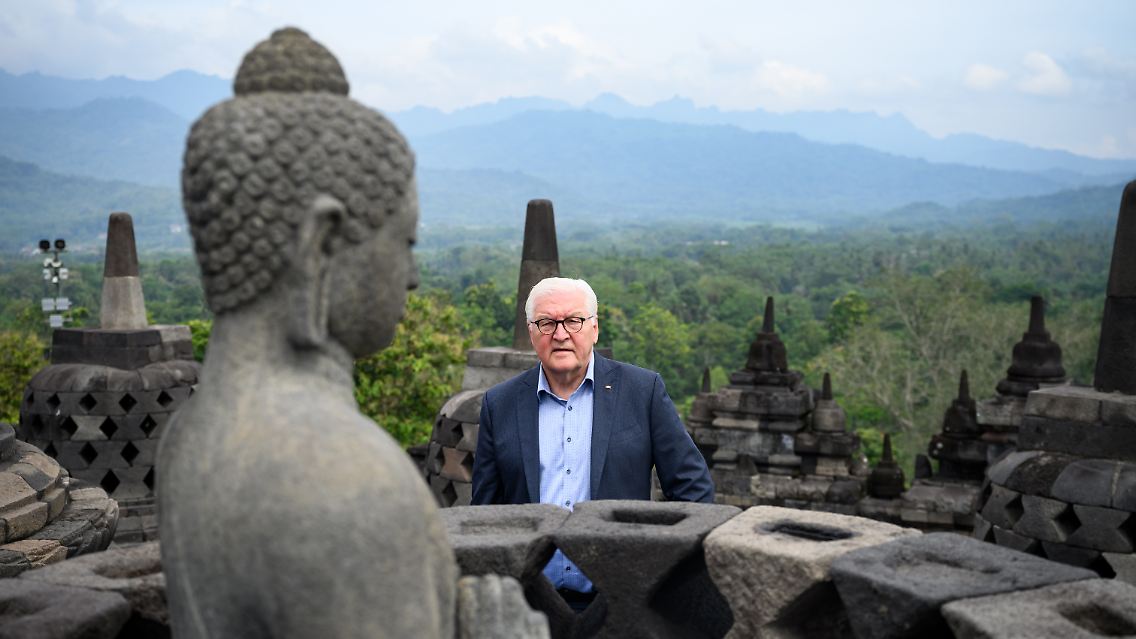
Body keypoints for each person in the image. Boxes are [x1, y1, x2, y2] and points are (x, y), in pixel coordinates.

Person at [471, 276, 713, 607]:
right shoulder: (500, 404)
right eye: (546, 323)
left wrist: (666, 578)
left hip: (623, 599)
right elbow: (484, 513)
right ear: (531, 332)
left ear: (594, 328)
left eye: (573, 321)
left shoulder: (642, 392)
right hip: (530, 603)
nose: (560, 334)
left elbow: (693, 490)